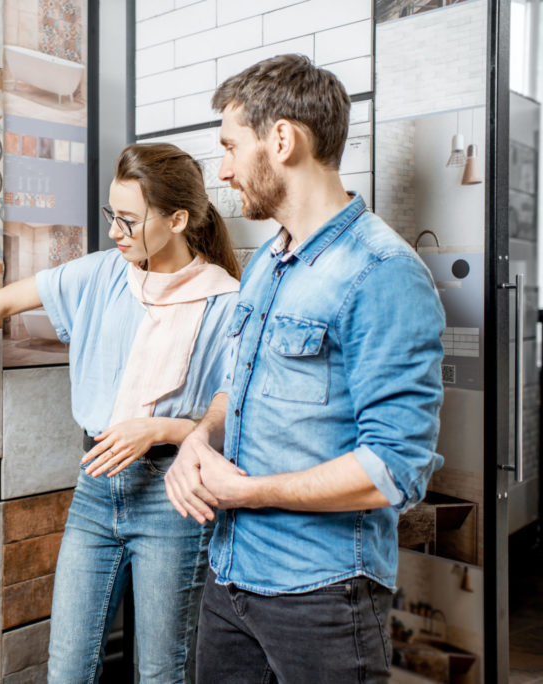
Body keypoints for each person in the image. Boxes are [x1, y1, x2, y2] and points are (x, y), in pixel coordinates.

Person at [0, 143, 240, 682]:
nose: (115, 231)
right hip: (95, 489)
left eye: (129, 221)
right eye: (112, 216)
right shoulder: (101, 275)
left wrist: (159, 428)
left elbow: (233, 414)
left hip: (173, 497)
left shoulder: (226, 301)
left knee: (162, 673)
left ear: (178, 219)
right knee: (67, 669)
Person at [163, 54, 446, 684]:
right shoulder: (265, 263)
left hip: (323, 595)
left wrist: (247, 492)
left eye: (231, 146)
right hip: (231, 577)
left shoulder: (383, 273)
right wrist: (195, 442)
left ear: (283, 140)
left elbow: (393, 469)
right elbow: (235, 390)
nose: (225, 169)